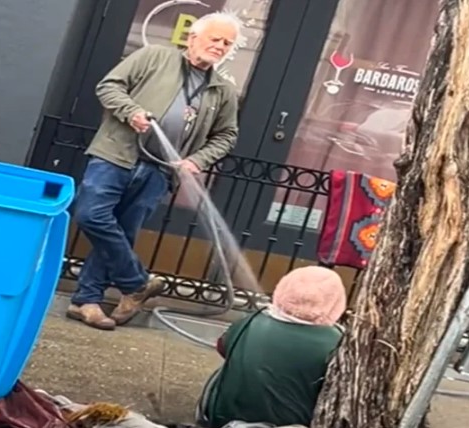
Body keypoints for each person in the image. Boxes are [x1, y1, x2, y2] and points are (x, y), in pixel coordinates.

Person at [66, 12, 241, 330]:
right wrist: (130, 112)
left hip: (160, 171)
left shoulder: (222, 90)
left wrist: (197, 160)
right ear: (192, 38)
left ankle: (86, 301)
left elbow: (227, 136)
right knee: (91, 215)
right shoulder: (153, 57)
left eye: (227, 43)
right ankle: (136, 281)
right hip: (116, 154)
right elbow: (109, 86)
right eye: (214, 38)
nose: (220, 46)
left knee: (122, 232)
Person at [197, 266, 347, 428]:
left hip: (222, 420)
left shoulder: (251, 322)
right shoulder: (337, 342)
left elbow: (223, 347)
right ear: (335, 303)